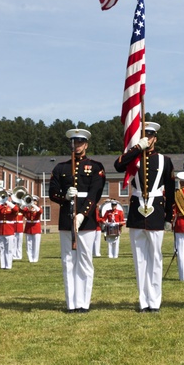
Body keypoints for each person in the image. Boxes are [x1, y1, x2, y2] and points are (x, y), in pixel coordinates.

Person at [114, 122, 174, 313]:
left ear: (155, 138)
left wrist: (168, 216)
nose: (148, 139)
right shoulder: (134, 158)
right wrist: (137, 148)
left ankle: (155, 300)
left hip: (156, 210)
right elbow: (118, 165)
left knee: (155, 257)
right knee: (139, 258)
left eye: (150, 136)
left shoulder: (165, 160)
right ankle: (143, 300)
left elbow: (171, 191)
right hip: (137, 210)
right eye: (144, 136)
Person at [50, 128, 105, 313]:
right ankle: (71, 303)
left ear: (86, 145)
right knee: (68, 261)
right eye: (74, 142)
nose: (77, 145)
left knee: (84, 260)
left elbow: (94, 193)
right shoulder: (60, 168)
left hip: (86, 220)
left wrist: (82, 214)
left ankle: (84, 302)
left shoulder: (95, 166)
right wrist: (64, 196)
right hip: (66, 217)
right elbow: (52, 193)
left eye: (80, 142)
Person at [0, 191, 19, 269]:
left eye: (8, 196)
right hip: (1, 230)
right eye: (5, 196)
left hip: (9, 230)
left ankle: (8, 265)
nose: (6, 197)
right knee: (1, 248)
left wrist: (8, 202)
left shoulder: (12, 206)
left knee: (9, 249)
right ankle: (2, 265)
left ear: (10, 197)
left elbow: (16, 210)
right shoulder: (0, 207)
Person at [23, 195, 44, 263]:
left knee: (36, 244)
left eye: (35, 201)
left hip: (36, 227)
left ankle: (35, 258)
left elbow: (40, 211)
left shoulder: (38, 208)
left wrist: (33, 205)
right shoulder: (27, 209)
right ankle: (30, 258)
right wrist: (26, 204)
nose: (33, 202)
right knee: (28, 243)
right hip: (28, 227)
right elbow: (21, 209)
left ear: (36, 202)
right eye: (32, 201)